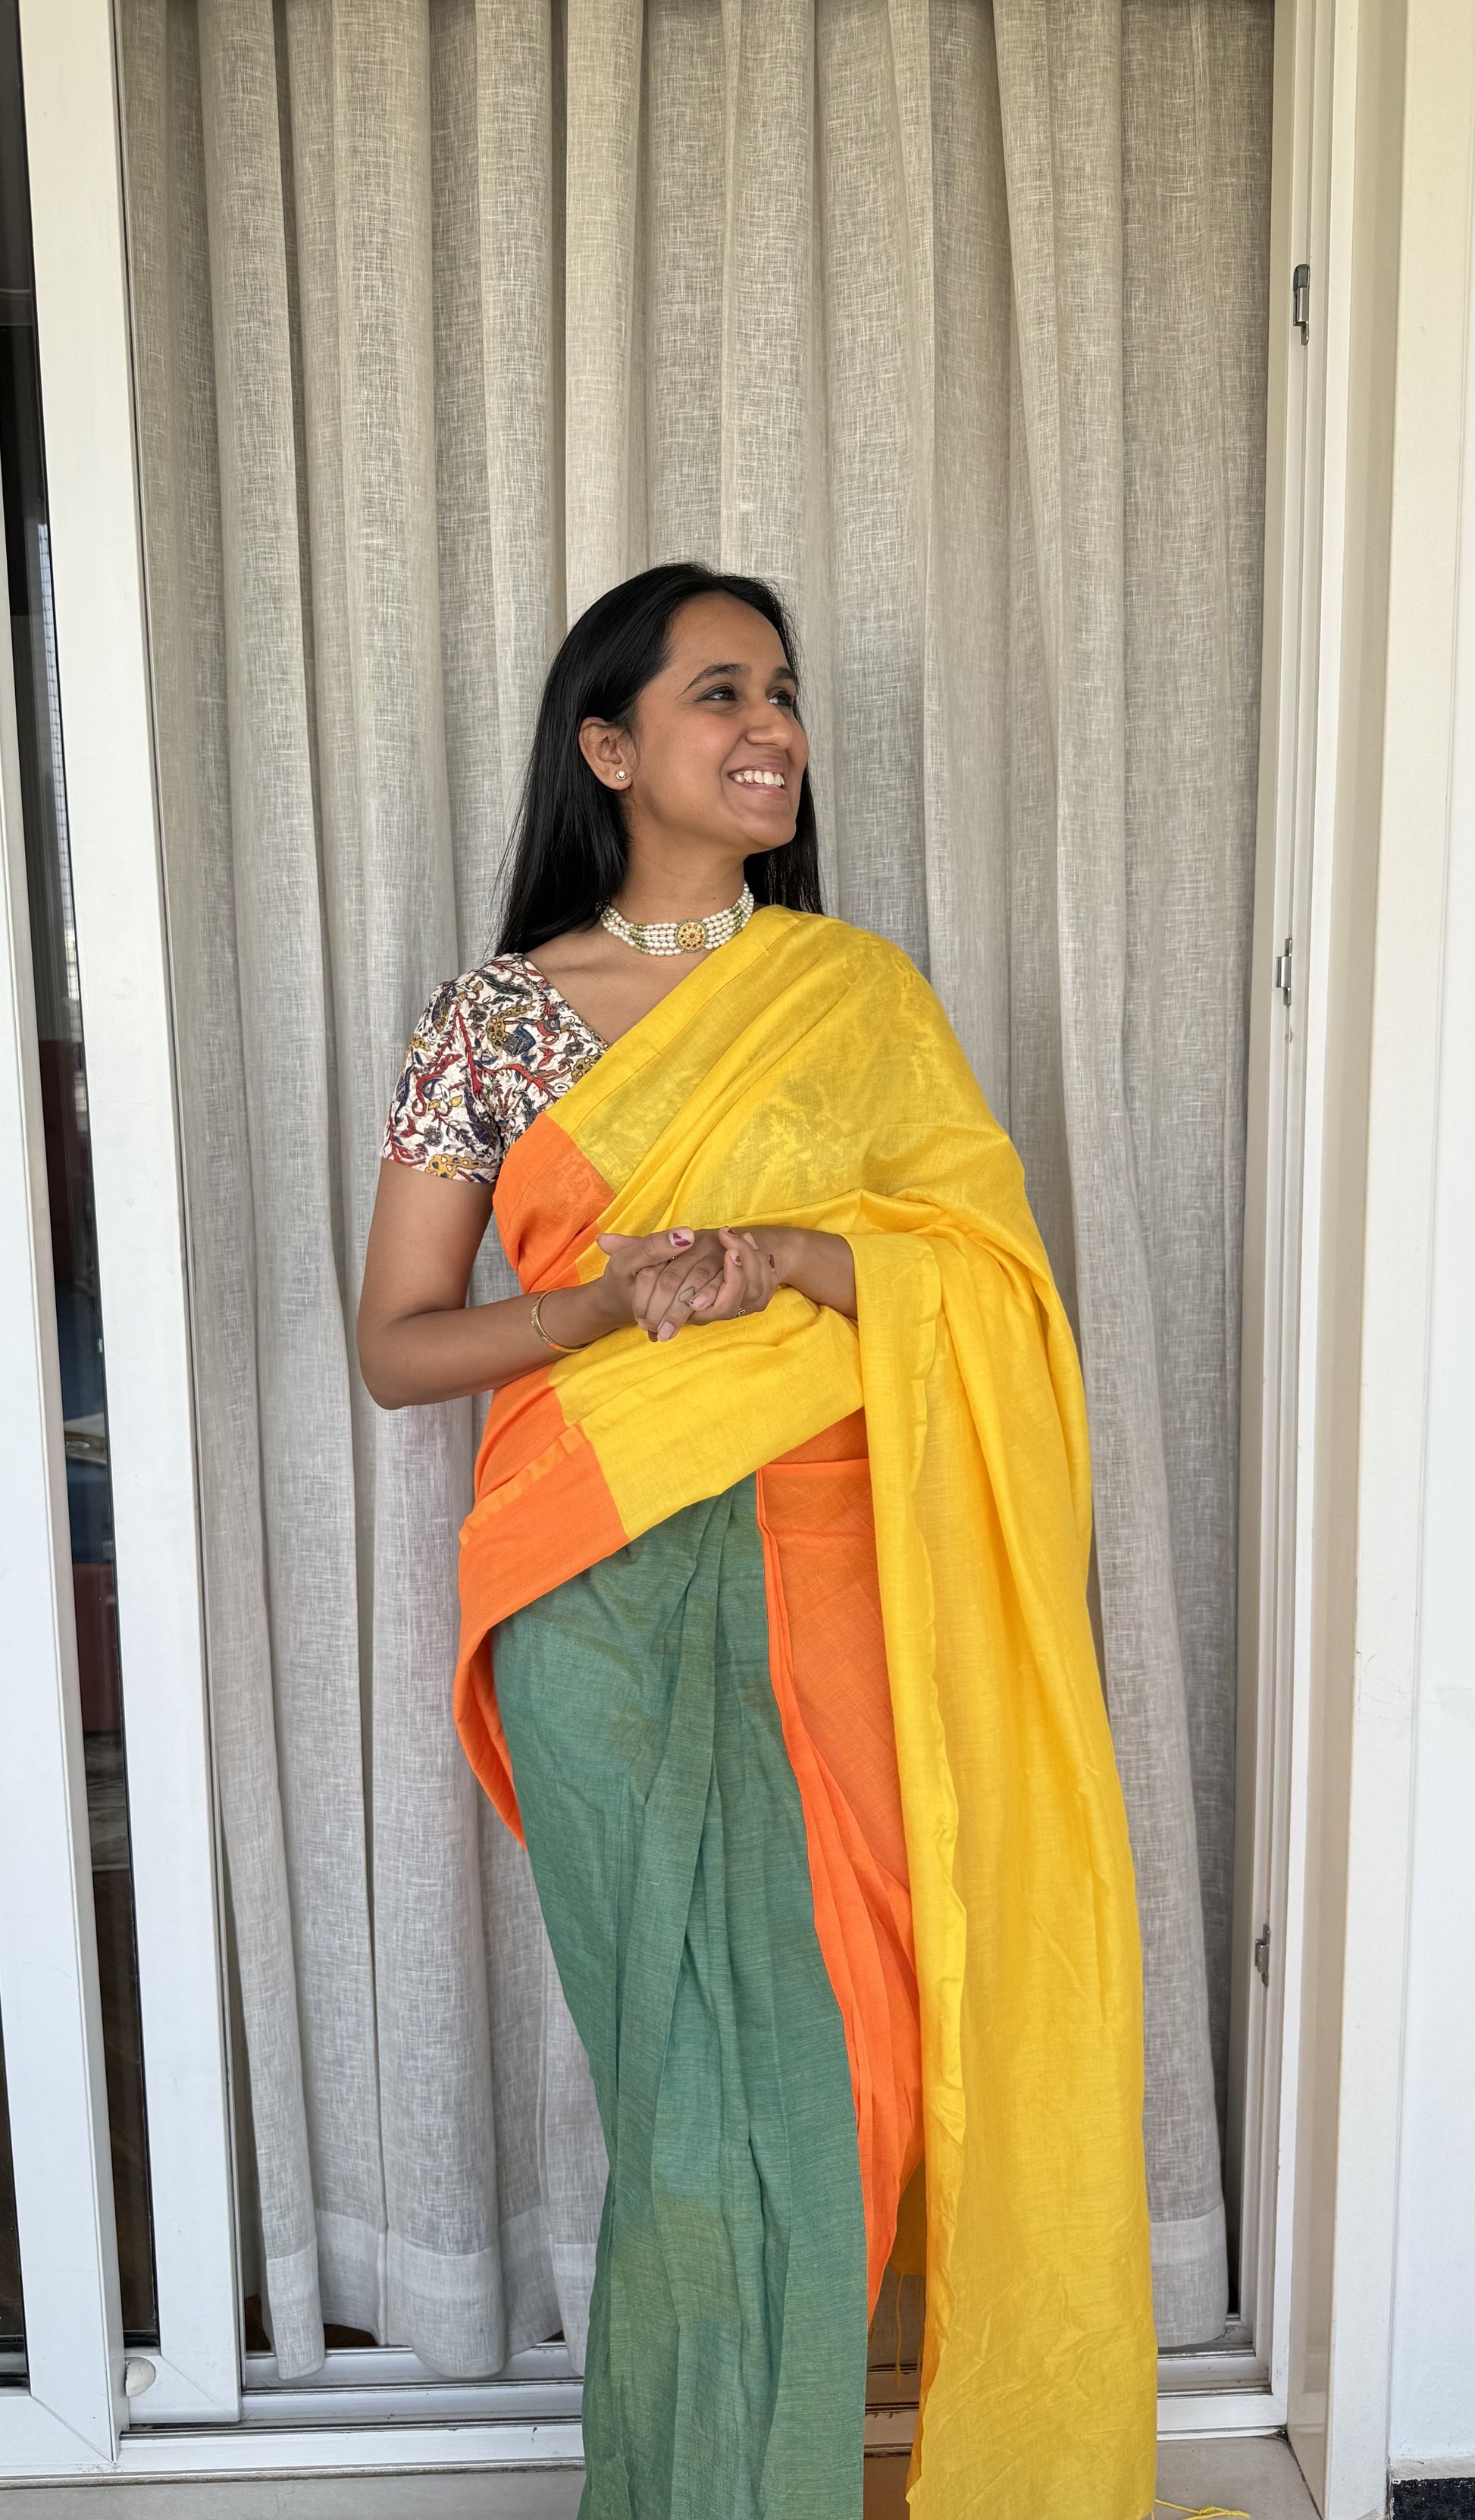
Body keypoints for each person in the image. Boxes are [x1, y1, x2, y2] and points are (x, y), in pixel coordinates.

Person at [357, 562, 1157, 2520]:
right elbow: (397, 1346)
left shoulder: (857, 998)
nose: (769, 725)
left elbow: (993, 1290)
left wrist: (798, 1253)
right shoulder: (495, 1020)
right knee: (693, 2119)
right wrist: (605, 1302)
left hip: (844, 1580)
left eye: (780, 691)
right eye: (718, 692)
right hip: (600, 1590)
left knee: (845, 2083)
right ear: (606, 746)